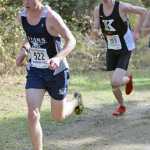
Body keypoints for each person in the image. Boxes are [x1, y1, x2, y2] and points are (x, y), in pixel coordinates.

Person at [16, 0, 84, 150]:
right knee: (32, 115)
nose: (26, 2)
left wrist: (59, 57)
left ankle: (75, 102)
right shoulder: (22, 15)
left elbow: (71, 40)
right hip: (36, 71)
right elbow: (30, 36)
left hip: (57, 72)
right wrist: (24, 50)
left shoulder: (51, 17)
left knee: (58, 117)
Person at [92, 0, 146, 116]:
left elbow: (143, 11)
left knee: (115, 81)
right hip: (111, 48)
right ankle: (121, 106)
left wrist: (136, 32)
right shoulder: (98, 9)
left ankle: (128, 79)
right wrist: (95, 32)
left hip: (125, 47)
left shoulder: (121, 6)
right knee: (114, 85)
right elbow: (95, 26)